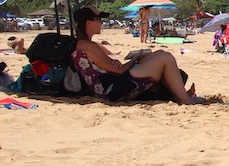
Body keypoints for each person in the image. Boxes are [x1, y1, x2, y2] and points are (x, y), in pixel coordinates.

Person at [70, 6, 204, 105]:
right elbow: (120, 70)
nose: (101, 23)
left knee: (159, 54)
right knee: (165, 57)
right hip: (112, 90)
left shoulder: (84, 44)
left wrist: (119, 62)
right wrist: (134, 58)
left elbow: (107, 66)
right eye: (98, 19)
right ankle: (184, 99)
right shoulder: (89, 46)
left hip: (111, 83)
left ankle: (180, 96)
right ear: (88, 23)